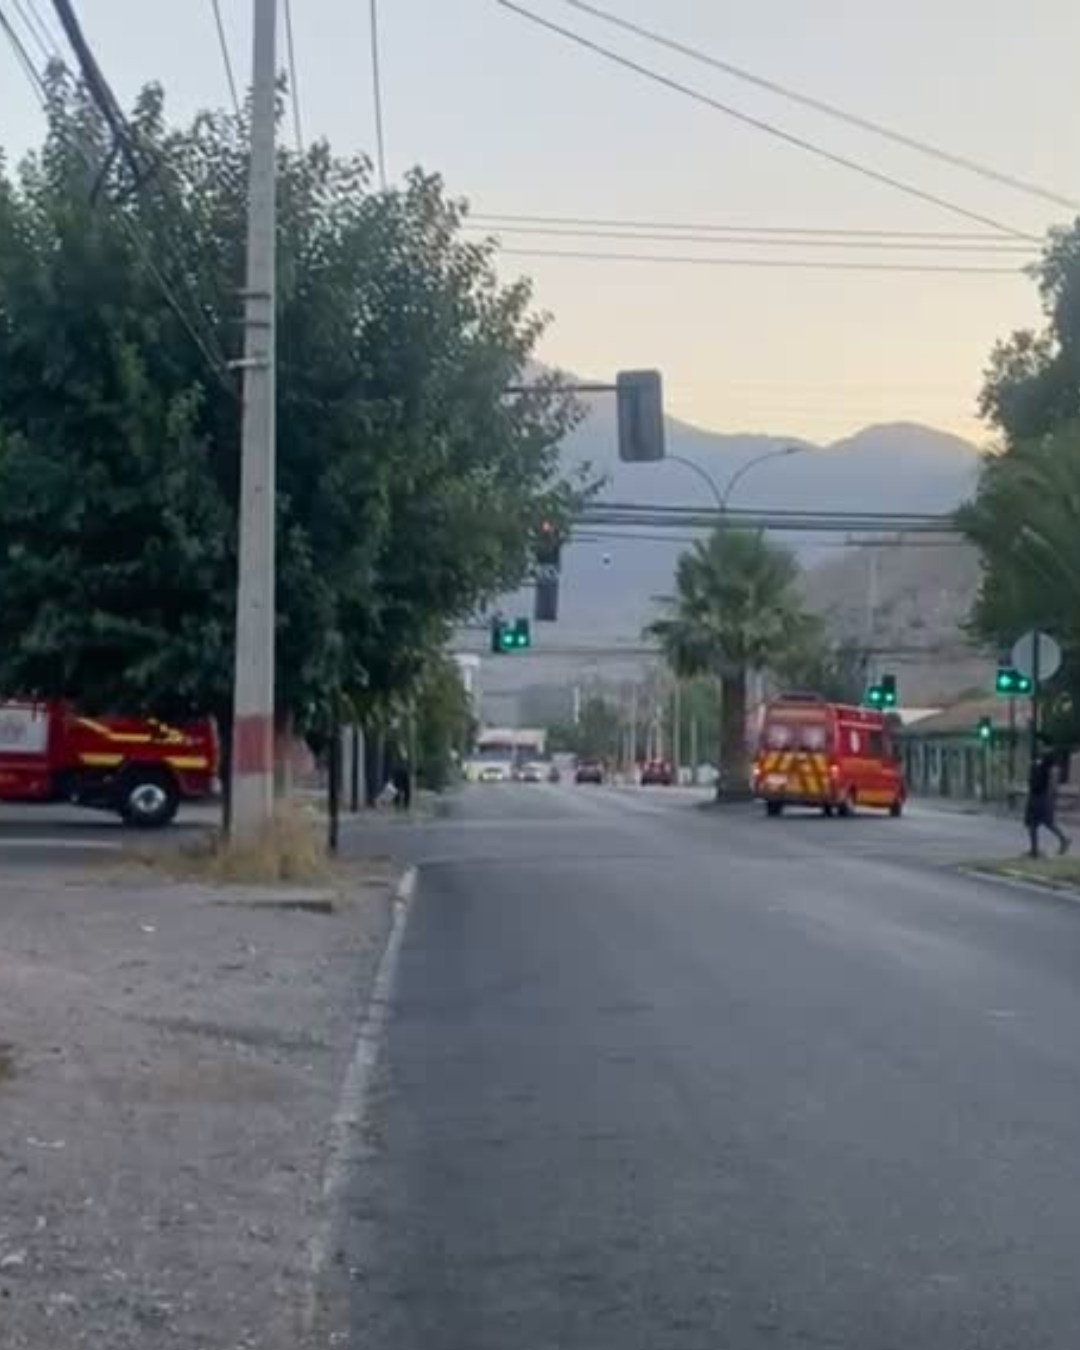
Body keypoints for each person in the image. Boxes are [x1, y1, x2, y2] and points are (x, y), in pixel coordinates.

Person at [1025, 748, 1071, 858]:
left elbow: (1053, 777)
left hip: (1042, 795)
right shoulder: (1036, 760)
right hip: (1034, 794)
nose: (1041, 748)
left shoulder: (1050, 760)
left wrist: (1051, 795)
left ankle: (1063, 840)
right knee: (1032, 824)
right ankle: (1034, 850)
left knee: (1046, 822)